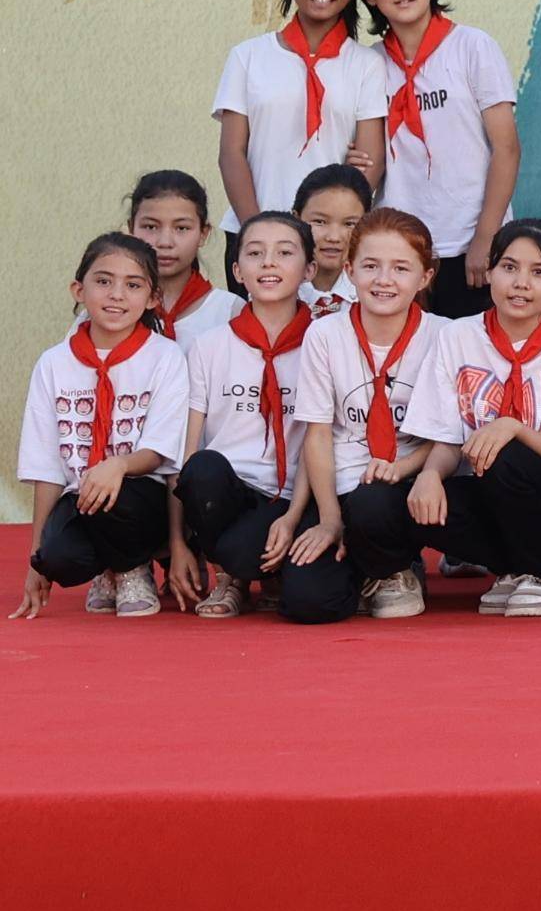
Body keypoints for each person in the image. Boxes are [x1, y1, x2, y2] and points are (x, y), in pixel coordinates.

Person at [401, 218, 541, 619]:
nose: (521, 283)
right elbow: (448, 439)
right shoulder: (457, 337)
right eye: (509, 267)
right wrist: (429, 475)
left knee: (503, 451)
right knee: (397, 504)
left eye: (538, 272)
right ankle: (513, 570)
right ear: (489, 271)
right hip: (490, 493)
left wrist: (513, 427)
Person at [13, 233, 190, 621]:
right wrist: (35, 558)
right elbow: (47, 468)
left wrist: (118, 465)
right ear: (79, 289)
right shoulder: (53, 363)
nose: (116, 295)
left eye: (133, 285)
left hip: (141, 497)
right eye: (104, 281)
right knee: (55, 557)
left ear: (153, 298)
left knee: (114, 495)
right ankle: (108, 568)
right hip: (83, 497)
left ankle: (131, 568)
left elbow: (162, 449)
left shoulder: (165, 356)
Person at [287, 207, 445, 623]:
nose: (384, 280)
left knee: (374, 502)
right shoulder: (324, 334)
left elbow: (450, 435)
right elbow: (317, 433)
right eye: (371, 266)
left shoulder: (445, 336)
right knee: (309, 602)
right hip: (343, 485)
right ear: (350, 270)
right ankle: (364, 565)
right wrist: (329, 520)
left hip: (410, 485)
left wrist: (401, 468)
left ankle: (393, 568)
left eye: (401, 268)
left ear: (425, 277)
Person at [170, 213, 329, 620]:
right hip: (233, 493)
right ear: (237, 270)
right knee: (202, 469)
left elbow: (321, 438)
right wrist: (179, 541)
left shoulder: (325, 342)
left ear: (309, 269)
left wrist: (293, 517)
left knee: (313, 602)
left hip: (300, 494)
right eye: (255, 253)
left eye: (285, 253)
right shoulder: (209, 346)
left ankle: (273, 574)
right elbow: (188, 452)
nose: (269, 262)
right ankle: (230, 576)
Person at [360, 0, 520, 318]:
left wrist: (486, 237)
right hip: (400, 248)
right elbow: (370, 155)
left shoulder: (472, 46)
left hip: (468, 243)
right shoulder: (369, 63)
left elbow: (507, 148)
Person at [212, 0, 384, 247]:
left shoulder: (367, 64)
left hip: (330, 241)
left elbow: (371, 159)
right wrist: (258, 232)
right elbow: (231, 154)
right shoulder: (248, 56)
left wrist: (336, 226)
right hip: (251, 230)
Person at [126, 170, 234, 345]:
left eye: (181, 228)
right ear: (131, 229)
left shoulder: (230, 312)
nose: (165, 242)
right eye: (151, 227)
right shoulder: (111, 308)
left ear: (203, 234)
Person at [292, 165, 372, 324]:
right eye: (320, 222)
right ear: (296, 220)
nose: (334, 237)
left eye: (349, 224)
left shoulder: (376, 293)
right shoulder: (272, 288)